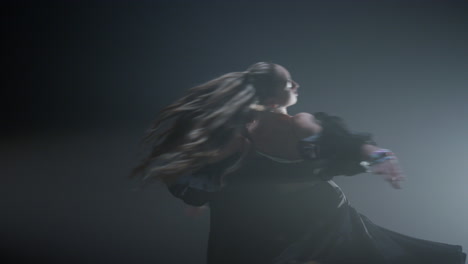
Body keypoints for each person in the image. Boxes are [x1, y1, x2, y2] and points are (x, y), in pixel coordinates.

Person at [132, 62, 466, 264]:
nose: (297, 85)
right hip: (284, 229)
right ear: (273, 97)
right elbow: (344, 145)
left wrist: (376, 156)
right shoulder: (286, 126)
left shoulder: (240, 136)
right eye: (288, 81)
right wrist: (379, 156)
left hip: (300, 228)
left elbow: (345, 144)